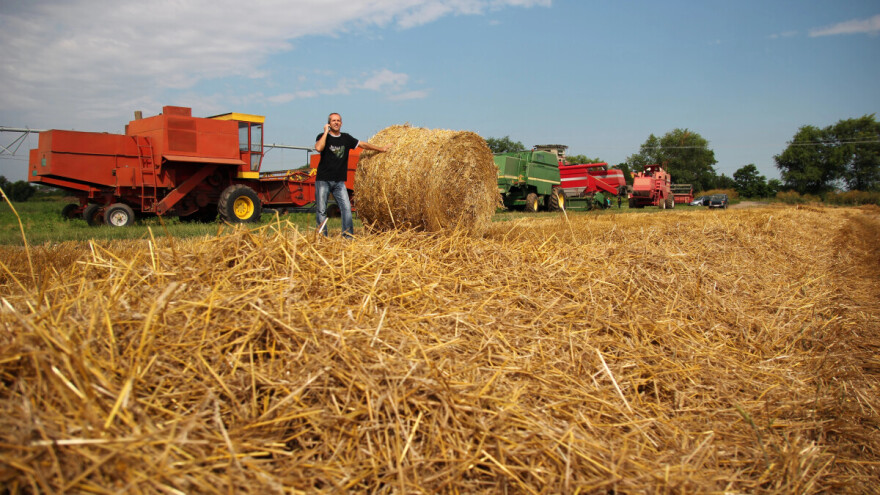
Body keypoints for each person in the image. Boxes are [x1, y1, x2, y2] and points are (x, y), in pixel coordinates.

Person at [314, 113, 389, 238]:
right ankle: (322, 237)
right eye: (333, 121)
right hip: (323, 179)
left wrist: (380, 149)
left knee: (346, 209)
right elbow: (318, 148)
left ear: (341, 123)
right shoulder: (322, 137)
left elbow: (363, 145)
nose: (336, 122)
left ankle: (348, 236)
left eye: (338, 120)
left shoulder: (346, 138)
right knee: (321, 210)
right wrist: (326, 132)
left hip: (339, 181)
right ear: (329, 123)